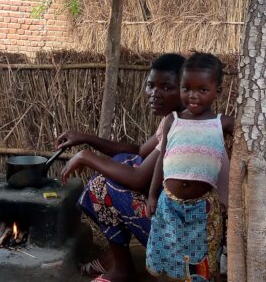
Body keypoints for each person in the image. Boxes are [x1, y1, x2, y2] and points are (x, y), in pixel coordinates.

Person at [57, 53, 187, 282]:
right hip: (172, 220)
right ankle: (118, 260)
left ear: (184, 89)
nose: (155, 94)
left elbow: (138, 179)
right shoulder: (174, 118)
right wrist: (85, 138)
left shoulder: (180, 126)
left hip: (179, 240)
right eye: (151, 86)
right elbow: (138, 151)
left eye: (166, 87)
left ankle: (122, 269)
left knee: (100, 186)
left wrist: (86, 156)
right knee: (121, 161)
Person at [146, 53, 233, 282]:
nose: (193, 96)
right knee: (167, 256)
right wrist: (152, 195)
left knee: (201, 262)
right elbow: (161, 161)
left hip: (204, 210)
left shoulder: (221, 123)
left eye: (202, 90)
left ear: (218, 92)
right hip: (169, 206)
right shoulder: (172, 121)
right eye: (186, 88)